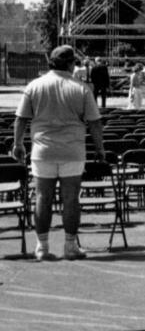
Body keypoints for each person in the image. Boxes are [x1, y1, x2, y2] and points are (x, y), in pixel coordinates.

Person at [12, 45, 108, 261]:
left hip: (42, 150)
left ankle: (42, 246)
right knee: (71, 199)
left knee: (42, 197)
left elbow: (21, 119)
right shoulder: (81, 88)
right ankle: (70, 245)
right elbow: (95, 123)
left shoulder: (35, 85)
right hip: (72, 151)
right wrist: (100, 149)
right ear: (70, 64)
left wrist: (18, 144)